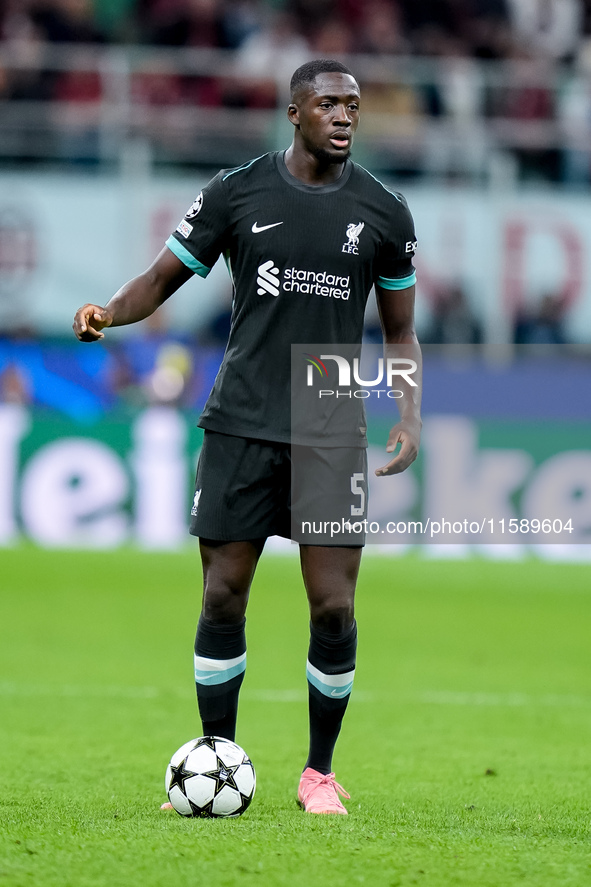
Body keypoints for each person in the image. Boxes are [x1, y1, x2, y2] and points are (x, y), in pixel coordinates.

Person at [72, 58, 422, 815]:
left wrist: (409, 413)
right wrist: (109, 310)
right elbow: (161, 278)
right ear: (293, 112)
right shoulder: (238, 191)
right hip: (240, 417)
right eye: (327, 103)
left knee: (333, 606)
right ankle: (214, 754)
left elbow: (401, 334)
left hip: (329, 418)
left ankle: (318, 772)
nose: (344, 116)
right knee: (223, 594)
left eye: (352, 105)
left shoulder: (386, 212)